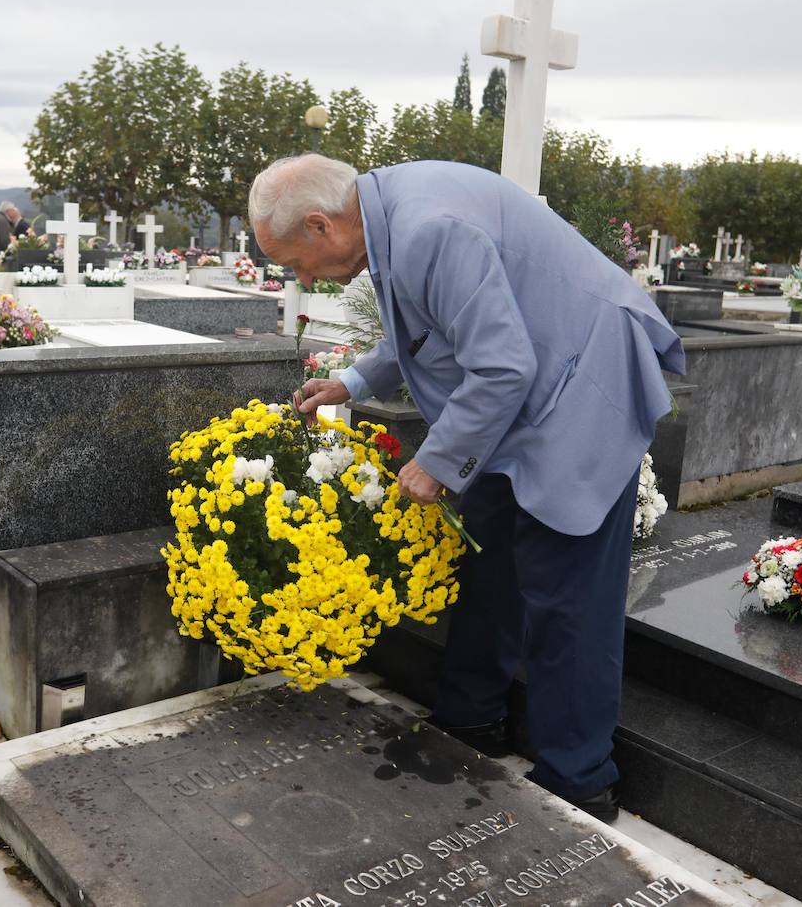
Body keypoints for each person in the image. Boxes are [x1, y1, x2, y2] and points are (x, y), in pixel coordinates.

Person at [250, 154, 684, 822]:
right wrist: (355, 382)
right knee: (488, 559)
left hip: (579, 387)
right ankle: (470, 719)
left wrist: (439, 460)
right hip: (530, 390)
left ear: (320, 224)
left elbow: (503, 365)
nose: (300, 278)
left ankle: (580, 779)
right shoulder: (390, 213)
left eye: (294, 262)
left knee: (569, 599)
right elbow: (429, 324)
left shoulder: (427, 226)